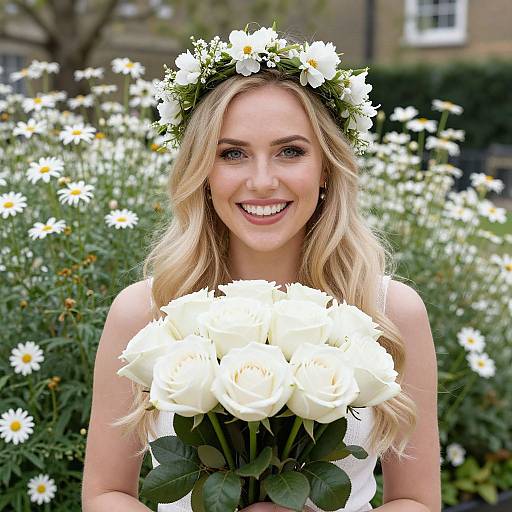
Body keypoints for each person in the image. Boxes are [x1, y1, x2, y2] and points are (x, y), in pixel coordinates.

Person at [82, 26, 441, 512]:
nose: (262, 181)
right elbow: (107, 494)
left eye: (290, 151)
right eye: (232, 154)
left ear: (326, 168)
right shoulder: (145, 312)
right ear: (203, 173)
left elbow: (418, 501)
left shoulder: (390, 311)